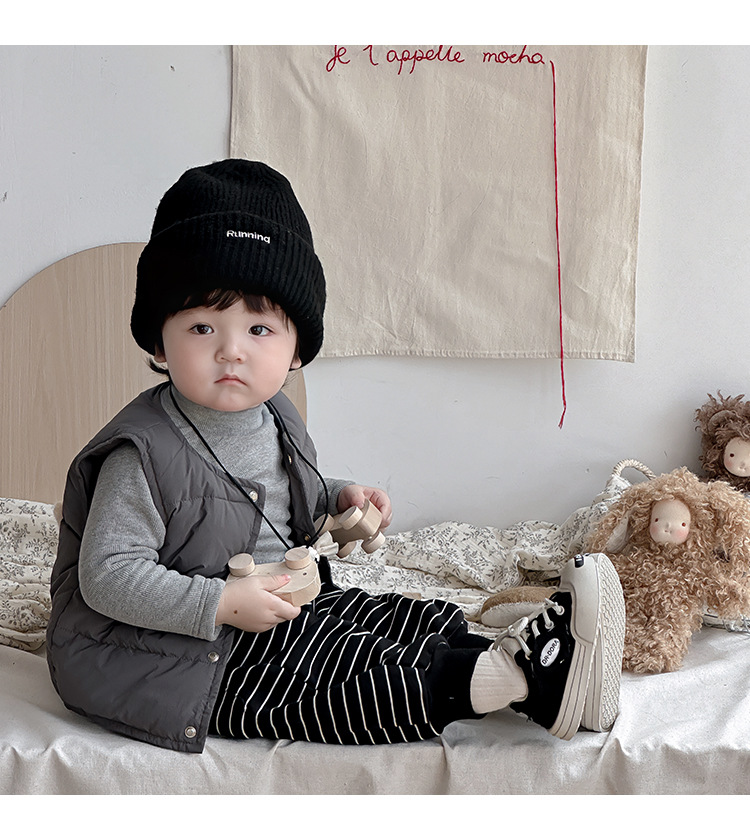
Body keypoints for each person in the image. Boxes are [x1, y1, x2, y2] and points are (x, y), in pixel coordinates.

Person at [46, 159, 625, 753]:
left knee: (400, 620)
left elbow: (277, 497)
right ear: (159, 342)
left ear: (297, 348)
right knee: (341, 677)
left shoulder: (275, 415)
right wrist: (219, 603)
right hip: (184, 654)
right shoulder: (139, 455)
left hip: (279, 600)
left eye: (259, 330)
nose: (231, 350)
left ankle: (547, 674)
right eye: (201, 327)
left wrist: (336, 496)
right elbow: (107, 577)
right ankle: (511, 680)